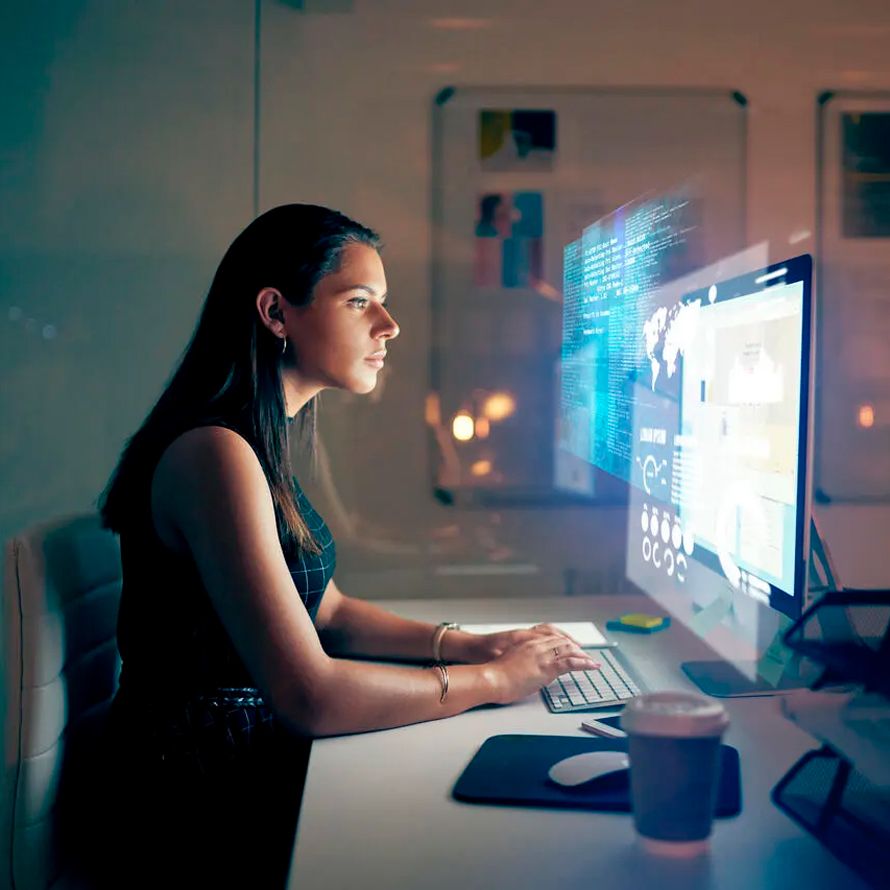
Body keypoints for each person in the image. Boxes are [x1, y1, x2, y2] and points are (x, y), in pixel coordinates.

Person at [92, 203, 599, 888]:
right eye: (360, 302)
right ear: (277, 313)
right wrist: (492, 683)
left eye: (382, 304)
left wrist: (473, 644)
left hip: (250, 760)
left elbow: (327, 612)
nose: (388, 327)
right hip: (199, 800)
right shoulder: (214, 454)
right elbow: (310, 696)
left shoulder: (257, 441)